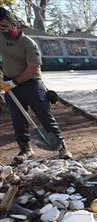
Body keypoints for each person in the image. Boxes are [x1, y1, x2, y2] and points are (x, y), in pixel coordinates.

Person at [0, 7, 72, 163]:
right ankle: (25, 150)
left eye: (4, 26)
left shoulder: (28, 43)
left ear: (13, 24)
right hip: (9, 85)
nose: (2, 29)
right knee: (18, 119)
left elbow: (33, 68)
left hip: (32, 83)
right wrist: (5, 81)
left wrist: (13, 82)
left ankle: (62, 147)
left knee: (45, 116)